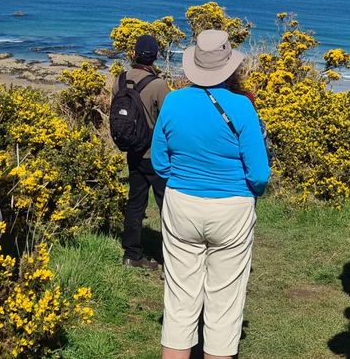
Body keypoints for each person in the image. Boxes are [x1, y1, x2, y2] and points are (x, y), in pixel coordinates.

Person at [152, 29, 271, 359]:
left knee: (179, 301)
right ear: (229, 65)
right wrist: (249, 192)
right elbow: (259, 173)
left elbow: (160, 163)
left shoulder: (173, 101)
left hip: (181, 205)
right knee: (224, 303)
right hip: (231, 209)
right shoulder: (242, 107)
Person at [112, 33, 171, 270]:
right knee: (167, 206)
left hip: (132, 151)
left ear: (134, 54)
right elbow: (168, 121)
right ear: (155, 56)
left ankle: (132, 254)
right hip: (155, 155)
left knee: (135, 203)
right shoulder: (158, 85)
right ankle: (171, 257)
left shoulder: (120, 79)